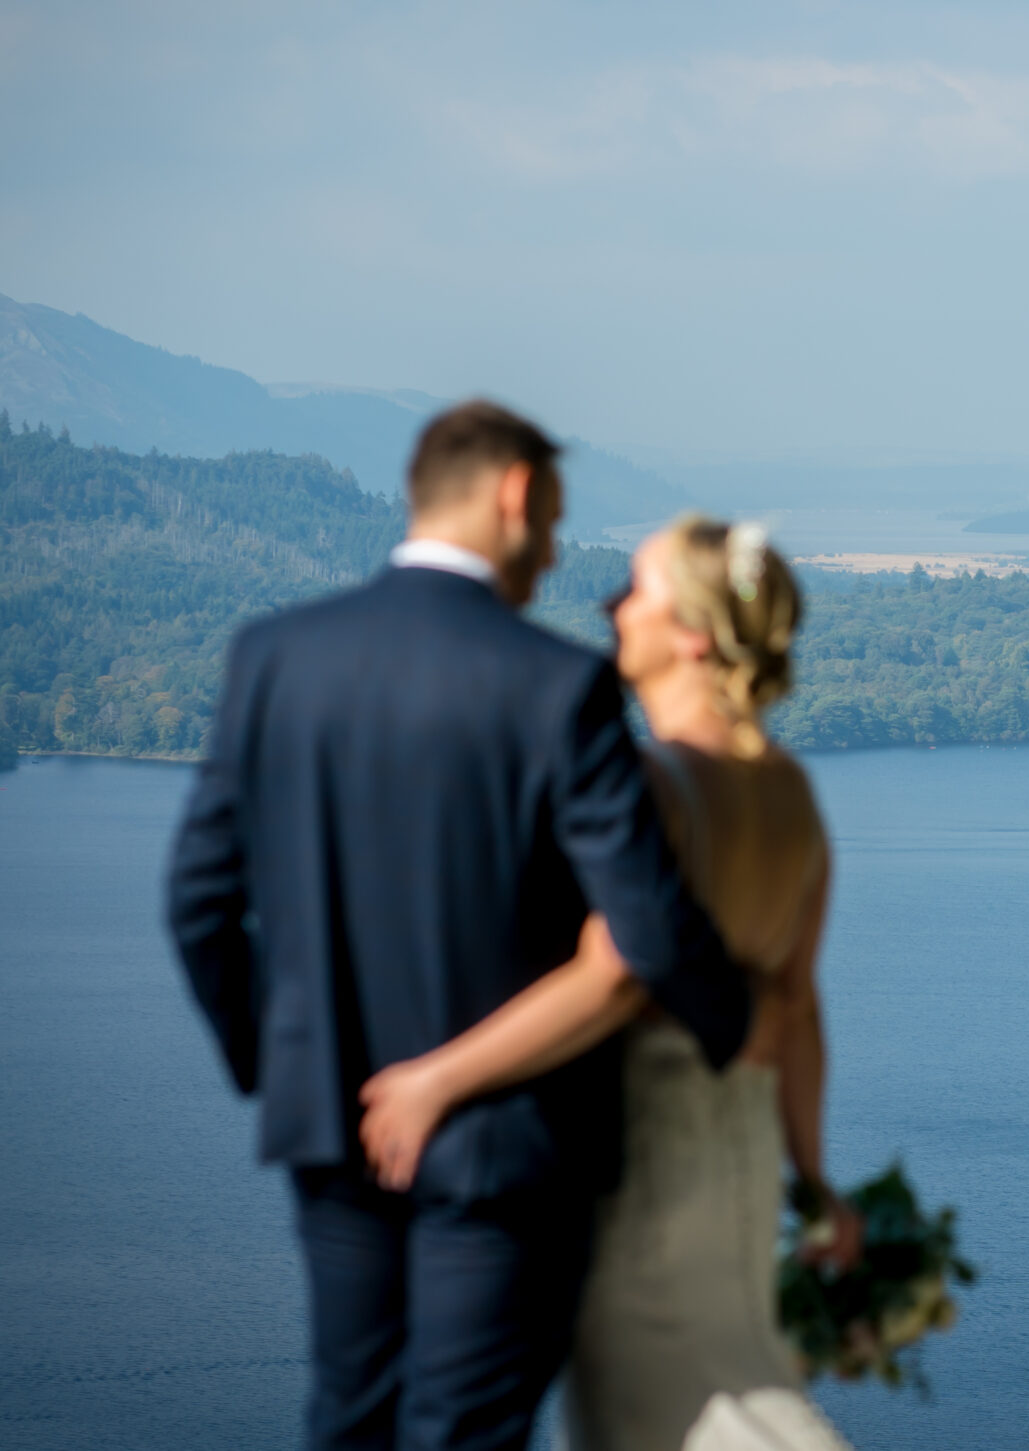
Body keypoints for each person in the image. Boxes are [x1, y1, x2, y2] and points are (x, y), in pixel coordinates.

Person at [165, 403, 754, 1451]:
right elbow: (649, 928)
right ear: (514, 495)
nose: (557, 554)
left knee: (347, 1419)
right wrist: (732, 1026)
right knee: (465, 1434)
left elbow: (197, 902)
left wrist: (282, 1061)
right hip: (508, 1145)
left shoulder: (273, 657)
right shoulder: (556, 686)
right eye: (557, 522)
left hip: (333, 1123)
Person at [356, 515, 858, 1451]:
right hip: (741, 1160)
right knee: (733, 1375)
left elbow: (615, 975)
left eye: (635, 589)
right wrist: (814, 1175)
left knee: (665, 1415)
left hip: (647, 1160)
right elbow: (796, 1009)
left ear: (693, 634)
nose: (610, 605)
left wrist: (439, 1079)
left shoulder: (657, 785)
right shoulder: (794, 796)